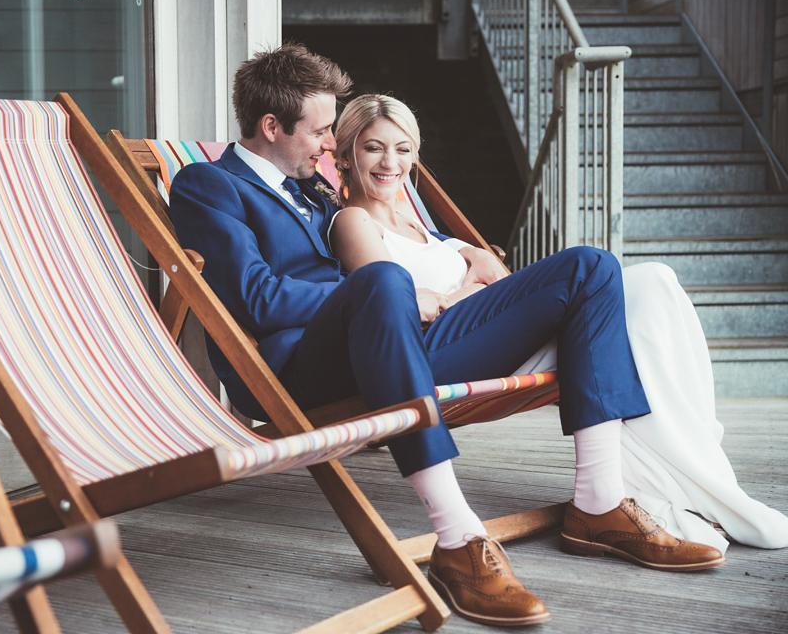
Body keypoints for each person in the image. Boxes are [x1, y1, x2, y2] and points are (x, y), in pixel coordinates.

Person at [168, 45, 728, 627]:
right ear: (270, 126)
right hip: (291, 373)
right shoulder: (209, 185)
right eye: (323, 130)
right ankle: (458, 539)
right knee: (384, 279)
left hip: (391, 346)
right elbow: (257, 299)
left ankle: (598, 501)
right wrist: (399, 293)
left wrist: (447, 260)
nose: (332, 142)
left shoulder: (308, 185)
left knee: (591, 266)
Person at [328, 91, 788, 545]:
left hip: (477, 339)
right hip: (427, 356)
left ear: (414, 158)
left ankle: (693, 474)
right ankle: (604, 498)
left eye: (402, 149)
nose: (390, 161)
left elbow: (496, 278)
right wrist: (468, 285)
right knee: (590, 265)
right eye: (374, 147)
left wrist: (466, 255)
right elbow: (389, 305)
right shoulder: (353, 221)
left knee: (651, 282)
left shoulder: (421, 227)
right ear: (346, 155)